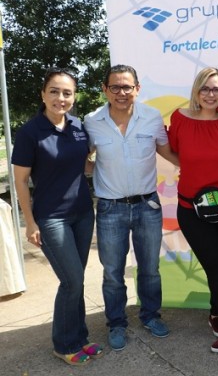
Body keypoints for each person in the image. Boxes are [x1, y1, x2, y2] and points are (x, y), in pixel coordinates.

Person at [84, 64, 179, 351]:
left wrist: (201, 171)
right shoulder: (91, 121)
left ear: (137, 89)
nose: (121, 92)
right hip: (110, 209)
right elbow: (85, 160)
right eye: (115, 86)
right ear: (105, 89)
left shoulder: (151, 117)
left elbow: (168, 152)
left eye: (127, 87)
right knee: (113, 272)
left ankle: (150, 316)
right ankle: (117, 323)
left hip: (147, 206)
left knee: (150, 268)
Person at [12, 67, 103, 366]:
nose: (60, 98)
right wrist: (30, 223)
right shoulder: (29, 132)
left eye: (67, 93)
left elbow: (83, 165)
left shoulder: (78, 126)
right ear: (43, 94)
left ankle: (80, 338)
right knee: (72, 281)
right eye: (54, 91)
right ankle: (63, 344)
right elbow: (21, 181)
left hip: (81, 213)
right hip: (51, 218)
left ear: (74, 97)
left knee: (75, 281)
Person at [167, 67, 218, 353]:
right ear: (196, 91)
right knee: (214, 263)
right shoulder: (179, 119)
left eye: (217, 89)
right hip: (192, 208)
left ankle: (216, 312)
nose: (211, 94)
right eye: (206, 88)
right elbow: (173, 150)